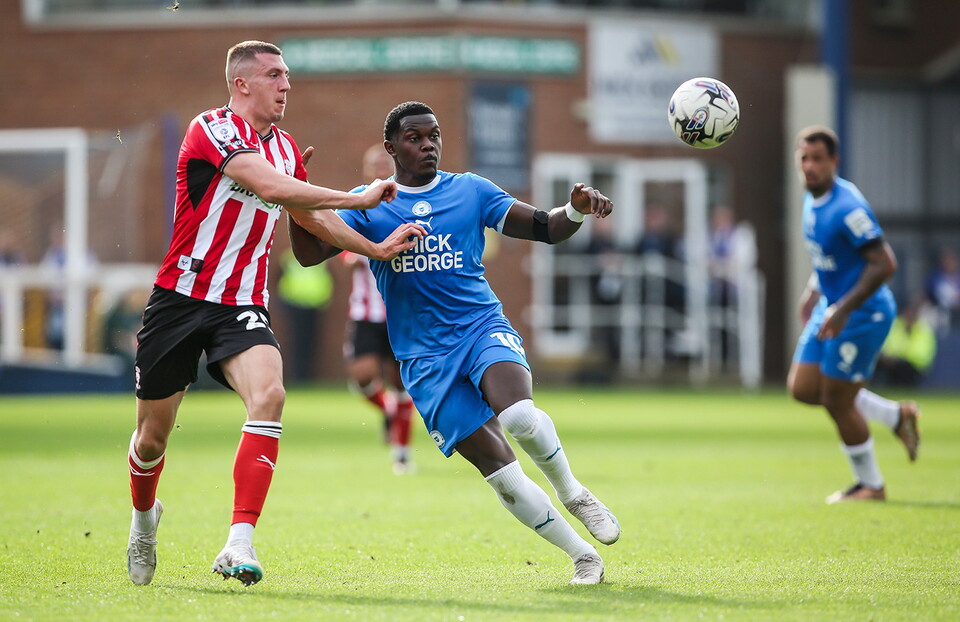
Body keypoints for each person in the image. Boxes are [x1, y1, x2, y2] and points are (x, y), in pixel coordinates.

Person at [125, 40, 425, 588]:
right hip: (180, 299)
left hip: (241, 303)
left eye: (287, 76)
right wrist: (359, 199)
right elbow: (267, 185)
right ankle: (145, 517)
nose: (286, 85)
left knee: (270, 395)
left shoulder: (286, 148)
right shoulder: (211, 129)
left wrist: (374, 249)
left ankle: (239, 541)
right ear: (241, 84)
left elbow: (308, 215)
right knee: (151, 440)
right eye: (274, 75)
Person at [289, 101, 620, 585]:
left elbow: (547, 228)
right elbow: (308, 256)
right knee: (502, 474)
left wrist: (575, 208)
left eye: (434, 136)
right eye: (415, 138)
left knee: (520, 416)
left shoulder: (470, 191)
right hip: (423, 359)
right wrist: (295, 199)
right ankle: (582, 557)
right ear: (391, 147)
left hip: (480, 327)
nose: (427, 145)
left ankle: (574, 494)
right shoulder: (368, 202)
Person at [787, 125, 920, 505]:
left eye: (817, 159)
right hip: (832, 305)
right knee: (803, 388)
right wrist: (813, 290)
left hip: (862, 313)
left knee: (837, 400)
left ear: (834, 162)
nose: (809, 166)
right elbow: (832, 255)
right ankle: (896, 416)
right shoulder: (812, 197)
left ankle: (871, 485)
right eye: (804, 159)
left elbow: (884, 263)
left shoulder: (848, 207)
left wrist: (843, 309)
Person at [341, 145, 416, 474]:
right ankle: (385, 408)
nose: (378, 168)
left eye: (383, 163)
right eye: (372, 164)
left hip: (400, 311)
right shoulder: (357, 204)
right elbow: (342, 250)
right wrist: (363, 252)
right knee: (362, 377)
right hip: (365, 312)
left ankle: (401, 452)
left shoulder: (406, 204)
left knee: (402, 383)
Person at [276, 248, 333, 382]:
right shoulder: (289, 260)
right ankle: (298, 376)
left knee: (311, 342)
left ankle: (307, 376)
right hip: (296, 306)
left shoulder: (321, 260)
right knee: (297, 342)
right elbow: (280, 281)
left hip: (314, 306)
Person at [873, 296, 937, 388]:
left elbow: (921, 355)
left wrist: (898, 357)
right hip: (892, 362)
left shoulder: (924, 330)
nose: (909, 317)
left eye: (912, 314)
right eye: (908, 314)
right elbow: (886, 344)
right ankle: (877, 388)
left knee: (903, 366)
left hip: (913, 366)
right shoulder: (895, 325)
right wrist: (888, 357)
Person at [925, 245, 960, 332]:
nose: (947, 263)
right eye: (944, 260)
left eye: (949, 260)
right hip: (942, 311)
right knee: (927, 314)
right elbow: (925, 293)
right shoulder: (936, 277)